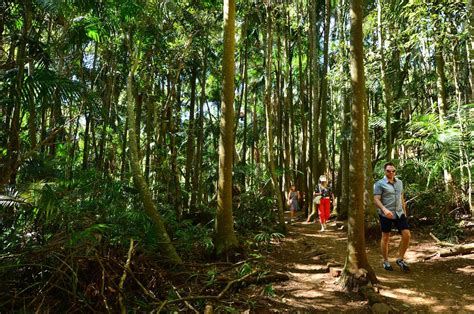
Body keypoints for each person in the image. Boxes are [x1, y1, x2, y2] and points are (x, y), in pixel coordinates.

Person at [374, 162, 411, 272]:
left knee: (407, 235)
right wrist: (384, 209)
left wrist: (404, 211)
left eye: (393, 171)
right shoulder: (379, 184)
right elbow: (376, 199)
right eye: (388, 171)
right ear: (385, 171)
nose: (391, 173)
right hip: (386, 214)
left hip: (399, 213)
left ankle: (400, 259)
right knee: (385, 237)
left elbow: (401, 197)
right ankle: (385, 261)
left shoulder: (399, 182)